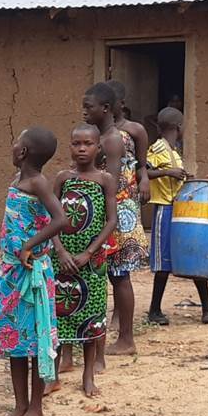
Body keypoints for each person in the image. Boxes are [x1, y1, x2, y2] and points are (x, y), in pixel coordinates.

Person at [0, 127, 67, 416]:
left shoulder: (38, 183)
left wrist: (29, 245)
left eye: (16, 142)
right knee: (14, 341)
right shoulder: (17, 182)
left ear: (22, 152)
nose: (12, 146)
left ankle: (36, 407)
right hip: (10, 274)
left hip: (32, 274)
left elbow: (60, 219)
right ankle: (19, 404)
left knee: (33, 341)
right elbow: (18, 219)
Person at [47, 124, 118, 398]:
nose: (81, 149)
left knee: (92, 317)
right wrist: (60, 251)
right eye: (76, 143)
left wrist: (89, 252)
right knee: (58, 315)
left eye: (88, 144)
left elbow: (111, 221)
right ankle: (52, 375)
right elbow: (51, 218)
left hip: (92, 262)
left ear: (98, 148)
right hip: (62, 260)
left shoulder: (105, 180)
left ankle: (88, 376)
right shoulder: (63, 178)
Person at [83, 82, 147, 356]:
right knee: (116, 275)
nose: (84, 112)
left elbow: (109, 181)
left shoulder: (111, 140)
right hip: (115, 211)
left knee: (120, 277)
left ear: (106, 108)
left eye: (89, 107)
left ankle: (126, 339)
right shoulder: (104, 136)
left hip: (117, 215)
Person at [145, 107, 208, 325]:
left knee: (193, 254)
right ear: (179, 127)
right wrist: (168, 172)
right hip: (164, 209)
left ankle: (207, 309)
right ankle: (154, 311)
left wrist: (184, 178)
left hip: (179, 209)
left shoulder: (174, 151)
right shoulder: (158, 148)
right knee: (163, 263)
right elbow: (144, 172)